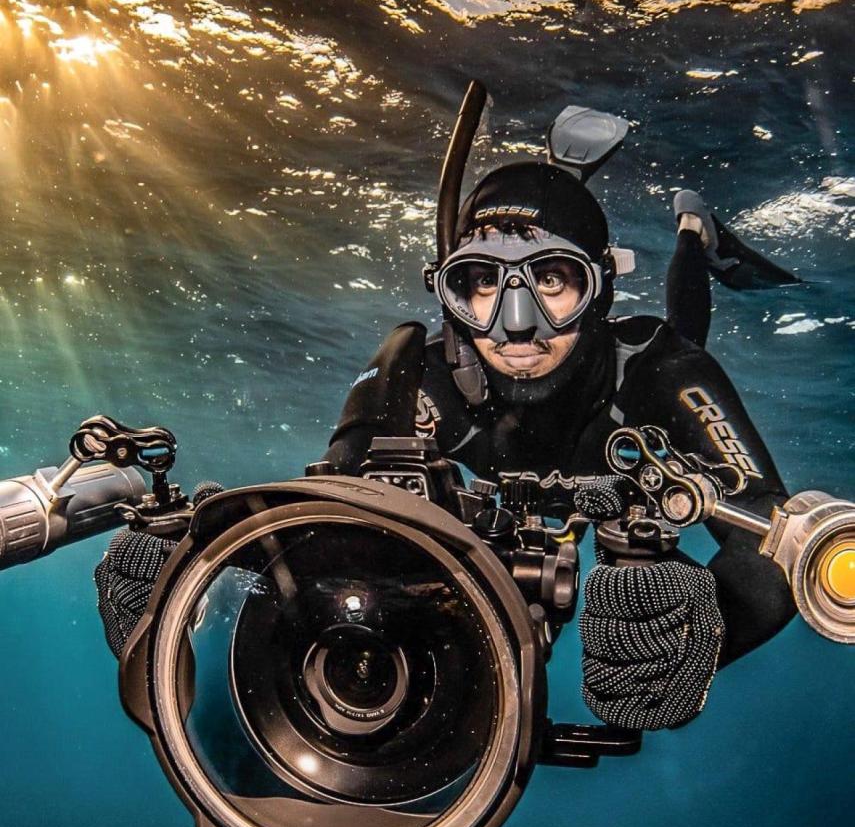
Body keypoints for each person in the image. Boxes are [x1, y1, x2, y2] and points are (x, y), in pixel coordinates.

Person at [96, 92, 797, 732]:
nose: (514, 327)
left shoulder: (657, 371)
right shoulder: (422, 374)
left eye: (553, 279)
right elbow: (329, 511)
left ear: (601, 288)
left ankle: (690, 233)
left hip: (624, 445)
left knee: (685, 321)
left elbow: (772, 531)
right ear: (449, 293)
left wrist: (702, 634)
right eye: (481, 284)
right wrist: (197, 581)